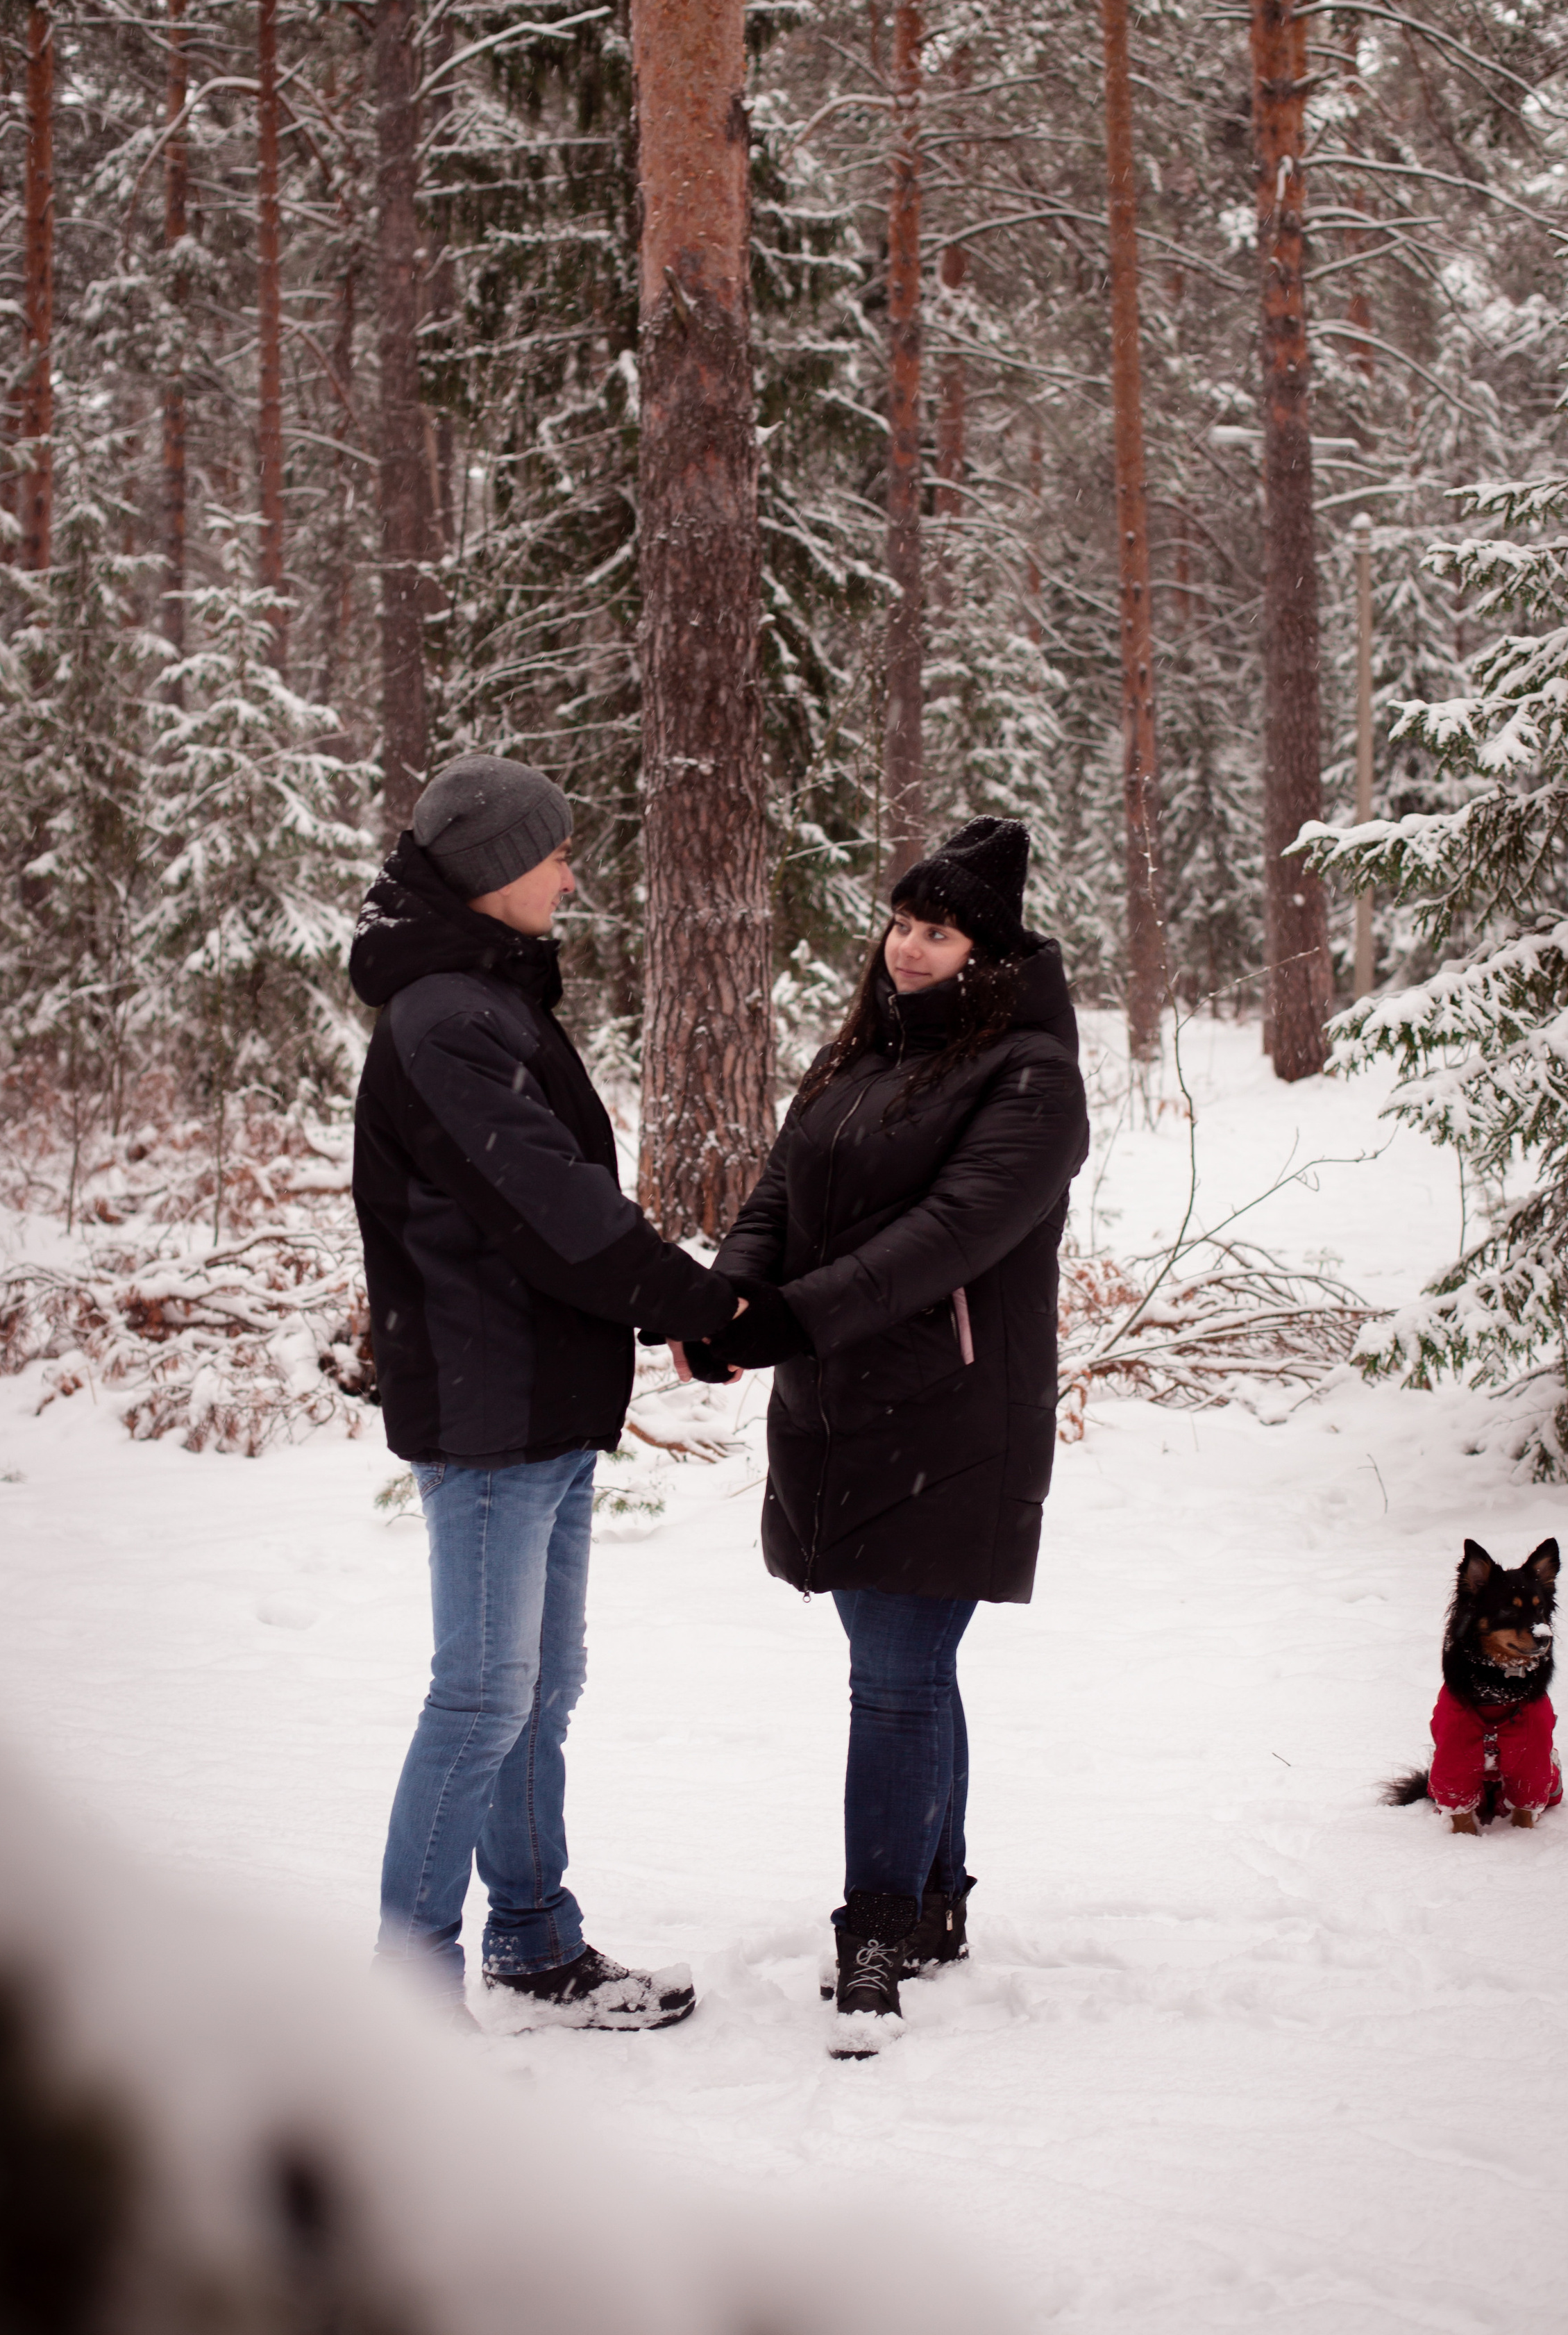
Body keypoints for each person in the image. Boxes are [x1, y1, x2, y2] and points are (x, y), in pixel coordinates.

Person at [679, 819, 1089, 2055]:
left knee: (895, 1676)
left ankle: (875, 1939)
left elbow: (950, 1237)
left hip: (953, 1414)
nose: (909, 948)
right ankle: (930, 1907)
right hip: (837, 1402)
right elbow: (778, 1196)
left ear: (991, 952)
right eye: (903, 924)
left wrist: (787, 1320)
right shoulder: (854, 1058)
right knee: (909, 1664)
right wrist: (729, 1301)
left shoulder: (1030, 1074)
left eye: (940, 930)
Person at [350, 754, 746, 2029]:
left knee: (538, 1690)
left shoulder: (483, 993)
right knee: (480, 1695)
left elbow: (553, 1211)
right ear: (490, 873)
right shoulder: (443, 1018)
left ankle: (533, 1941)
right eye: (554, 854)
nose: (573, 874)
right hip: (488, 1410)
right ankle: (408, 2003)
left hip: (543, 1402)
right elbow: (551, 1207)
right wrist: (695, 1303)